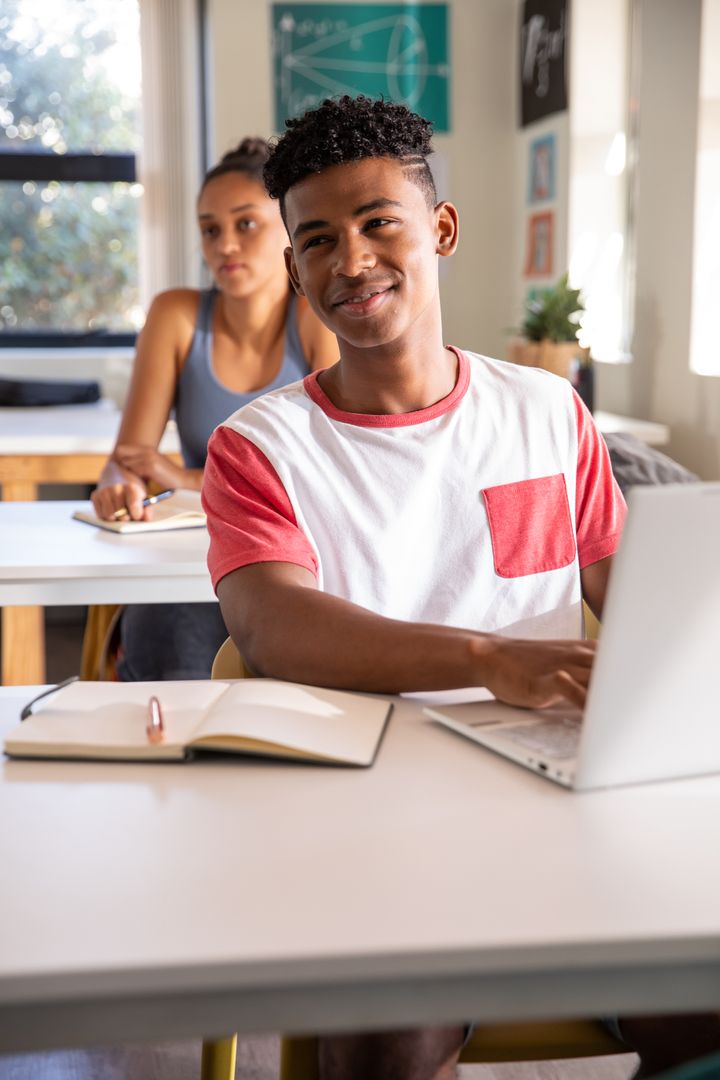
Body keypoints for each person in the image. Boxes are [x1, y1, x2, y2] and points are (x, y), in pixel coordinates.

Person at [201, 98, 720, 1079]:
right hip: (369, 820)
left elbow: (641, 601)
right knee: (386, 1038)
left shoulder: (547, 412)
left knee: (704, 984)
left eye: (377, 223)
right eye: (316, 240)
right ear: (295, 266)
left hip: (570, 803)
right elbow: (272, 625)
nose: (350, 261)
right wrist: (491, 659)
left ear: (439, 229)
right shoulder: (259, 447)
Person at [91, 137, 337, 680]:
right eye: (210, 229)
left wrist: (181, 476)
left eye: (246, 224)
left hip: (295, 560)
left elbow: (327, 477)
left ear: (288, 231)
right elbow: (129, 459)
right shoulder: (176, 315)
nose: (225, 244)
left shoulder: (315, 318)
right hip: (190, 563)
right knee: (172, 659)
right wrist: (118, 488)